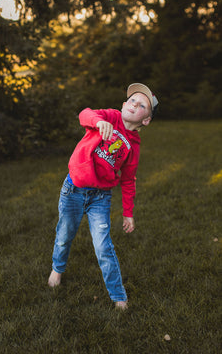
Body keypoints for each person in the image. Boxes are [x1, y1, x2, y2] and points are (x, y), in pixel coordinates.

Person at [48, 83, 159, 309]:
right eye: (132, 100)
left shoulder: (134, 146)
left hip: (100, 197)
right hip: (74, 190)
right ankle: (57, 269)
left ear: (145, 120)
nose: (135, 105)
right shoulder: (110, 116)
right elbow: (84, 114)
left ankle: (118, 295)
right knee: (64, 234)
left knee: (103, 246)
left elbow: (128, 180)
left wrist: (128, 213)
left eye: (142, 105)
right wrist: (98, 122)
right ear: (123, 105)